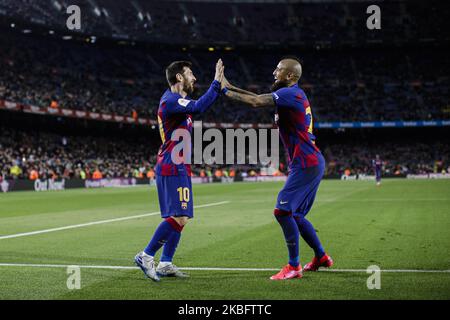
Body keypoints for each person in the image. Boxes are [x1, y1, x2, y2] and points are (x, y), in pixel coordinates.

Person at [222, 57, 333, 280]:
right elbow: (254, 96)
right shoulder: (292, 93)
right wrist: (227, 84)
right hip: (309, 161)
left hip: (305, 162)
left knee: (282, 212)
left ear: (290, 76)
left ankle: (294, 266)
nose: (274, 72)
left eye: (279, 70)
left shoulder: (289, 93)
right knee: (297, 215)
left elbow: (254, 102)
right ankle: (321, 256)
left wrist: (222, 91)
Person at [134, 59, 224, 281]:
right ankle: (146, 255)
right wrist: (215, 83)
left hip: (178, 165)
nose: (194, 78)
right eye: (190, 73)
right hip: (172, 165)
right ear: (179, 78)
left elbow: (196, 106)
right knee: (180, 216)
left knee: (181, 217)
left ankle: (165, 263)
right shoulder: (171, 101)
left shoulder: (178, 101)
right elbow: (199, 106)